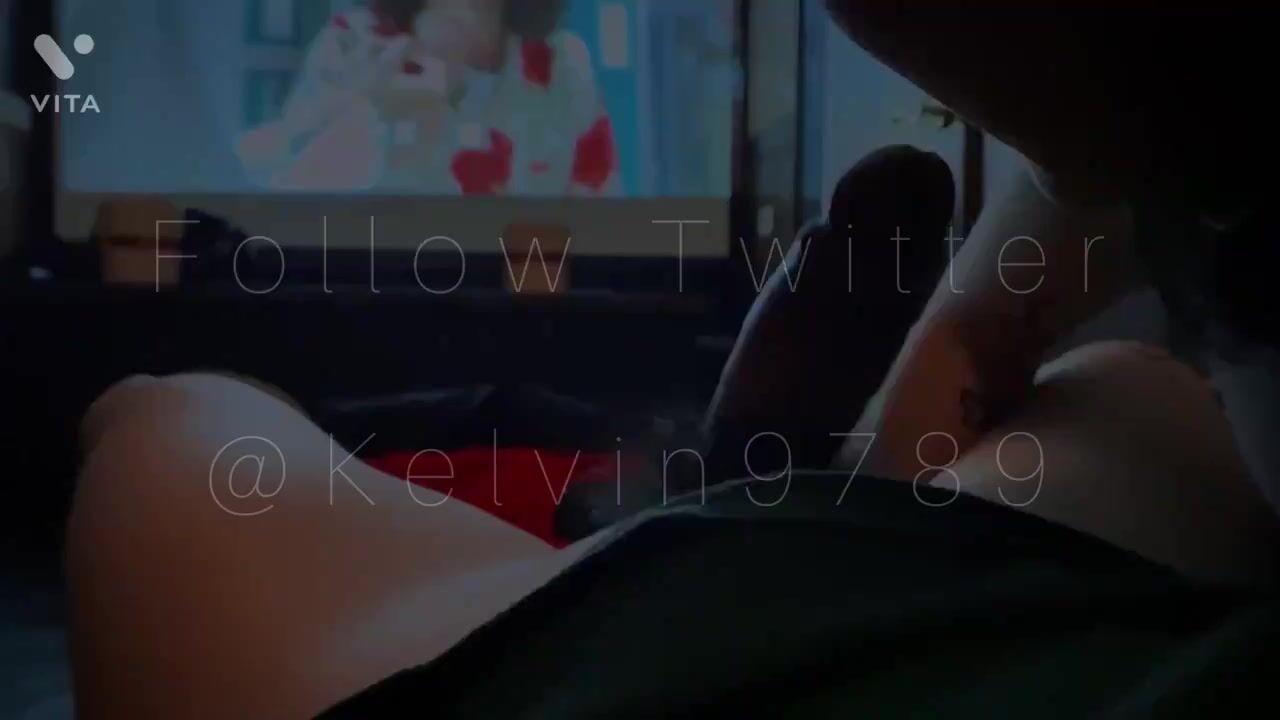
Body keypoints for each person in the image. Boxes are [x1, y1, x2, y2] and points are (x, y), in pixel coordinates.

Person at [67, 3, 1280, 718]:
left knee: (165, 424)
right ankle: (777, 479)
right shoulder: (351, 51)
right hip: (1135, 568)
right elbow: (296, 153)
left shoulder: (552, 76)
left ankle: (740, 493)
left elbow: (577, 160)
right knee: (1131, 395)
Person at [236, 0, 617, 195]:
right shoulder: (352, 45)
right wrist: (372, 114)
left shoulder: (564, 70)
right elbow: (286, 206)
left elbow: (600, 231)